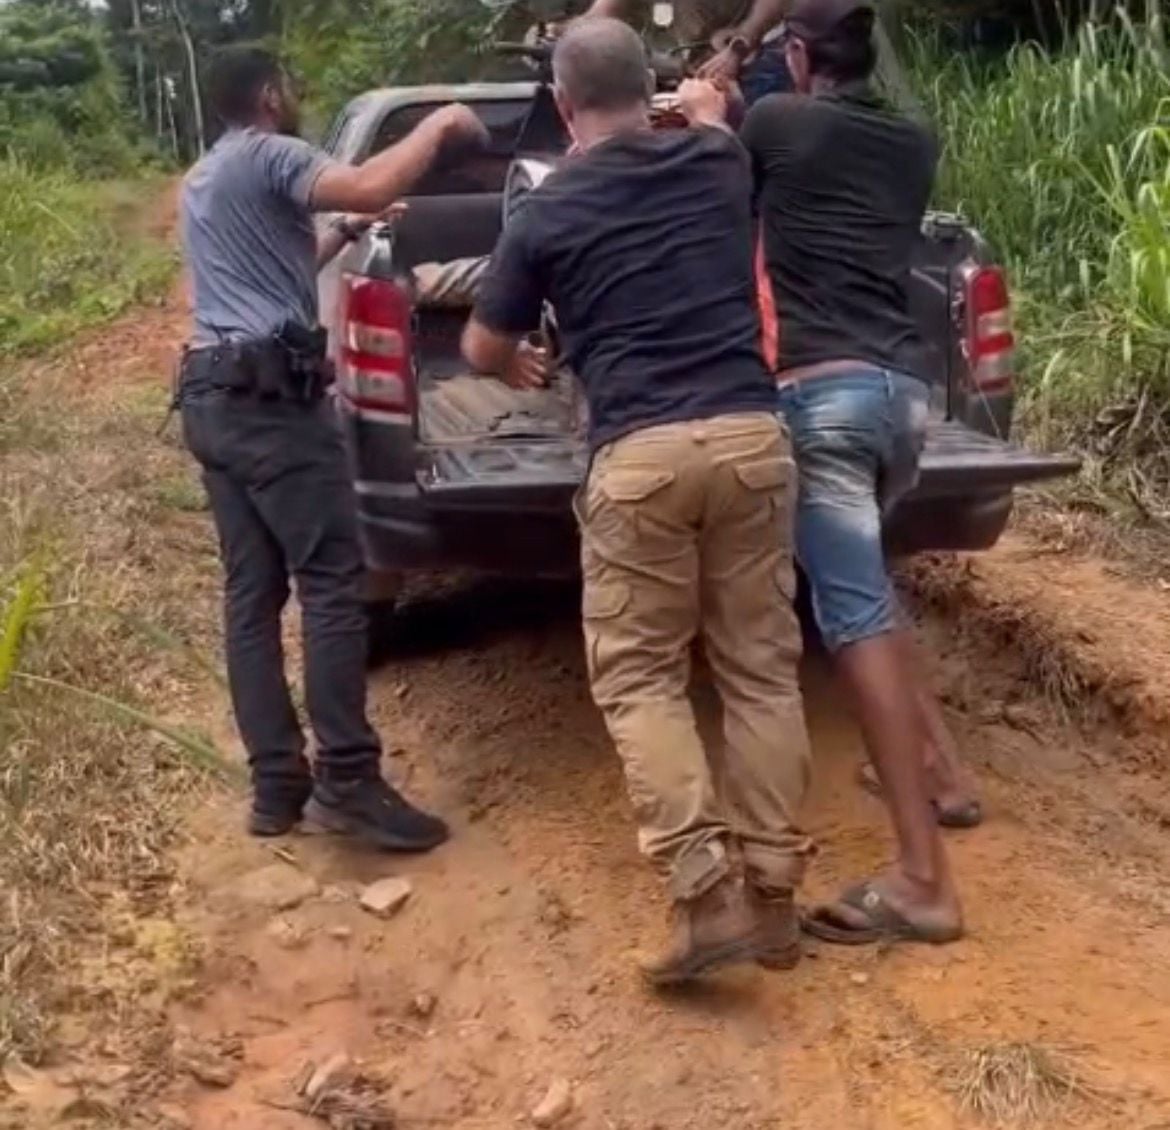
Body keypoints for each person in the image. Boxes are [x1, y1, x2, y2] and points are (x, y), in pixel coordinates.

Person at [462, 18, 812, 985]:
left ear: (566, 106)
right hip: (752, 440)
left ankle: (706, 902)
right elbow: (722, 128)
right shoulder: (717, 163)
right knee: (760, 671)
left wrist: (526, 358)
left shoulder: (546, 208)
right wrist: (706, 106)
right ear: (652, 87)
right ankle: (776, 899)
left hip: (639, 456)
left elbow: (484, 350)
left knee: (642, 679)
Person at [179, 47, 488, 849]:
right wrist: (444, 124)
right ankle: (348, 778)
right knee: (331, 582)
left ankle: (277, 786)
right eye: (295, 85)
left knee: (252, 595)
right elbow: (373, 181)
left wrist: (346, 230)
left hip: (213, 399)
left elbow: (283, 268)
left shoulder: (208, 177)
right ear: (271, 95)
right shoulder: (274, 152)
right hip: (270, 407)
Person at [742, 0, 967, 945]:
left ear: (798, 57)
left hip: (822, 401)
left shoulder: (776, 123)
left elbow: (718, 179)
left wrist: (714, 92)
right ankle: (947, 775)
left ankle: (924, 883)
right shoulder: (914, 138)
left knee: (854, 614)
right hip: (901, 399)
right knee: (870, 586)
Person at [575, 0, 792, 105]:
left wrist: (742, 40)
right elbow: (604, 11)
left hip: (756, 58)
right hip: (687, 62)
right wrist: (573, 32)